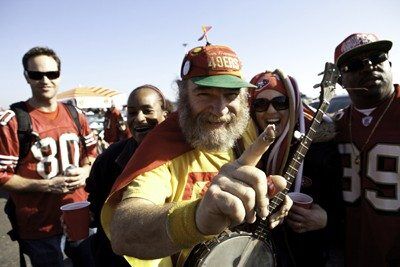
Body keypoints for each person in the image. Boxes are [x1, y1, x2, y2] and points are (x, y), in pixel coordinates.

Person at [101, 44, 293, 266]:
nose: (220, 109)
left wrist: (266, 199)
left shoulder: (245, 130)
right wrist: (196, 218)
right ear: (183, 96)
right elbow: (124, 232)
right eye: (204, 93)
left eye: (231, 94)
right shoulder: (162, 149)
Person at [0, 46, 97, 266]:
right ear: (26, 77)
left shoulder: (76, 115)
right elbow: (2, 175)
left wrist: (85, 171)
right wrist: (47, 185)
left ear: (59, 76)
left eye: (51, 74)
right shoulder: (13, 121)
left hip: (80, 214)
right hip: (39, 226)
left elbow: (91, 155)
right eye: (37, 75)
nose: (45, 80)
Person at [248, 70, 344, 266]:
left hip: (309, 256)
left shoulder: (319, 147)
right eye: (260, 104)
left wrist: (327, 220)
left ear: (292, 105)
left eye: (280, 102)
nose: (271, 111)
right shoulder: (244, 150)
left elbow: (350, 208)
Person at [333, 33, 400, 266]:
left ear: (389, 63)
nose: (369, 65)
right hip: (351, 253)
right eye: (354, 64)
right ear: (340, 80)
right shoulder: (335, 125)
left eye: (376, 57)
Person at [85, 84, 170, 267]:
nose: (139, 118)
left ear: (165, 114)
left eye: (147, 110)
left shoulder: (182, 156)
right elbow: (96, 207)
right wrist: (84, 217)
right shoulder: (109, 159)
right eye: (132, 112)